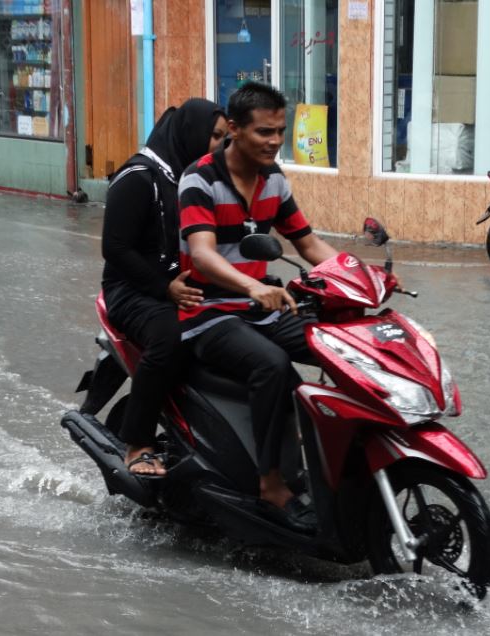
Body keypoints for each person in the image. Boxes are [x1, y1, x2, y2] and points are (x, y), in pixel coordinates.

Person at [177, 82, 340, 532]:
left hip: (262, 306)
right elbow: (204, 253)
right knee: (272, 366)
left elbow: (307, 244)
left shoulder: (275, 179)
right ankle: (271, 483)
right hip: (207, 313)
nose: (274, 141)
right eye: (264, 132)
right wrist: (251, 286)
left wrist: (363, 275)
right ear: (233, 129)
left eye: (280, 131)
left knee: (336, 344)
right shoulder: (199, 178)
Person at [101, 98, 227, 477]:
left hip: (184, 283)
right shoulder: (138, 177)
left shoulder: (199, 180)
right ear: (192, 133)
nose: (220, 145)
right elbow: (115, 248)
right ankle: (138, 442)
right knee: (169, 336)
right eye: (214, 135)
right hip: (132, 291)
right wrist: (164, 287)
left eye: (225, 137)